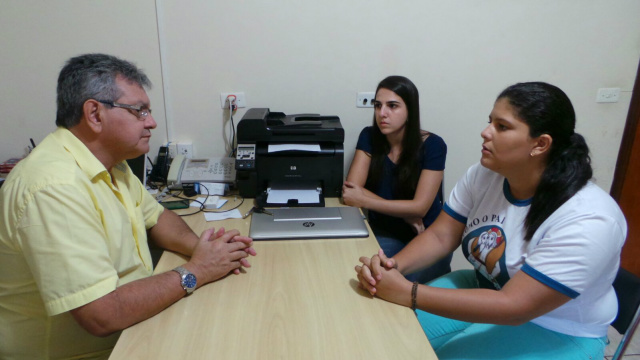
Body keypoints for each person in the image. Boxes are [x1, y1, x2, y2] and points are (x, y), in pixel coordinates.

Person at [0, 53, 256, 359]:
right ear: (94, 113)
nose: (152, 122)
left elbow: (157, 217)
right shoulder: (54, 187)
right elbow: (102, 314)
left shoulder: (112, 164)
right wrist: (198, 270)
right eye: (140, 111)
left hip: (134, 329)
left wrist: (202, 248)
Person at [354, 82, 627, 359]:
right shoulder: (485, 174)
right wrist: (391, 267)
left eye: (502, 127)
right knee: (385, 332)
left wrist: (409, 292)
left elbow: (515, 306)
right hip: (484, 285)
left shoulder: (590, 219)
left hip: (555, 327)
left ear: (540, 144)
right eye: (490, 122)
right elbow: (441, 236)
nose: (485, 132)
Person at [343, 75, 451, 283]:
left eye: (392, 106)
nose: (382, 114)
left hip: (426, 237)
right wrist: (405, 212)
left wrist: (365, 200)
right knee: (371, 277)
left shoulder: (434, 145)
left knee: (399, 284)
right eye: (377, 106)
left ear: (410, 110)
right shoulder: (369, 136)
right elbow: (351, 191)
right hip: (386, 233)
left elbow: (419, 208)